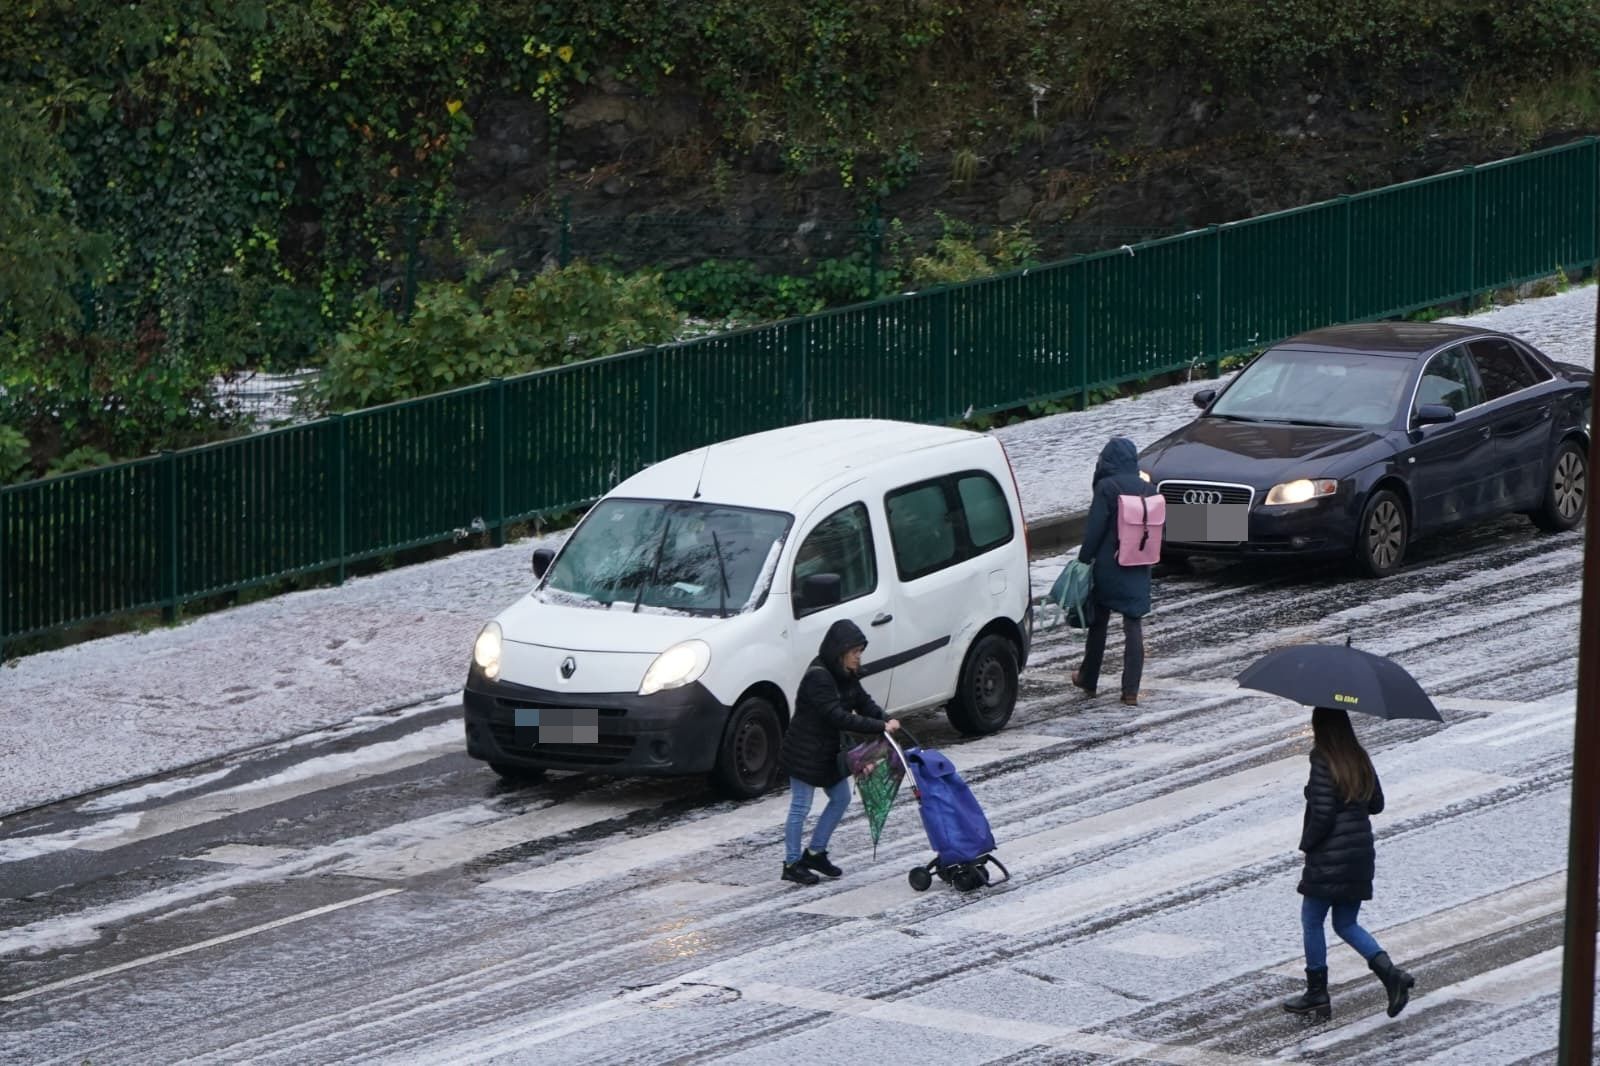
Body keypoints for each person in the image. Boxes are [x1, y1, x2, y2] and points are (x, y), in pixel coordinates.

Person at [1284, 706, 1416, 1021]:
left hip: (1330, 857)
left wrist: (1307, 845)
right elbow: (1376, 803)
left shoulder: (1321, 759)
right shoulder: (1358, 756)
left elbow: (1324, 815)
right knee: (1345, 923)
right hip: (1359, 855)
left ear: (1320, 728)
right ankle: (1391, 974)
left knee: (1312, 920)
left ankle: (1317, 992)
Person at [776, 619, 901, 885]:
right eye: (855, 652)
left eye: (860, 652)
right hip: (804, 751)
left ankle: (815, 853)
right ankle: (791, 863)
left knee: (841, 798)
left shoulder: (845, 675)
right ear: (839, 652)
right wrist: (879, 726)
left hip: (827, 751)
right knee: (801, 806)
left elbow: (862, 701)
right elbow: (839, 717)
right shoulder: (819, 677)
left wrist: (885, 718)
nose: (858, 657)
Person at [1071, 436, 1160, 705]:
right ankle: (1130, 690)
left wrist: (1083, 560)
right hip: (1138, 564)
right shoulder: (1150, 489)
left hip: (1109, 565)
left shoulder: (1107, 488)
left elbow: (1095, 529)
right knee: (1133, 626)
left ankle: (1089, 678)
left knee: (1098, 623)